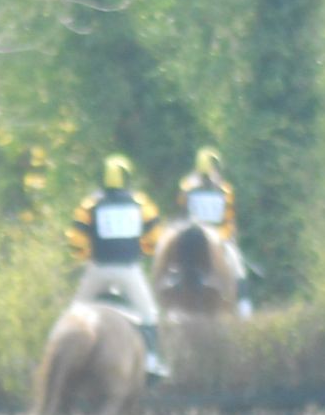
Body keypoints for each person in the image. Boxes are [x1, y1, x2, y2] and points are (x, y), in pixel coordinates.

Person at [67, 154, 169, 379]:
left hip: (97, 270)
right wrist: (144, 250)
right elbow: (155, 236)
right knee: (149, 314)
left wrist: (85, 256)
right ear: (128, 178)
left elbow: (76, 240)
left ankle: (54, 353)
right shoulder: (141, 202)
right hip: (128, 271)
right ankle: (151, 361)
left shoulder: (90, 204)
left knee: (72, 315)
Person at [178, 146, 252, 317]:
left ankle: (245, 310)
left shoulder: (193, 187)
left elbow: (228, 217)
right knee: (239, 271)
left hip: (210, 238)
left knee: (238, 269)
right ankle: (245, 310)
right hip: (207, 237)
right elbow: (229, 218)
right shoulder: (196, 187)